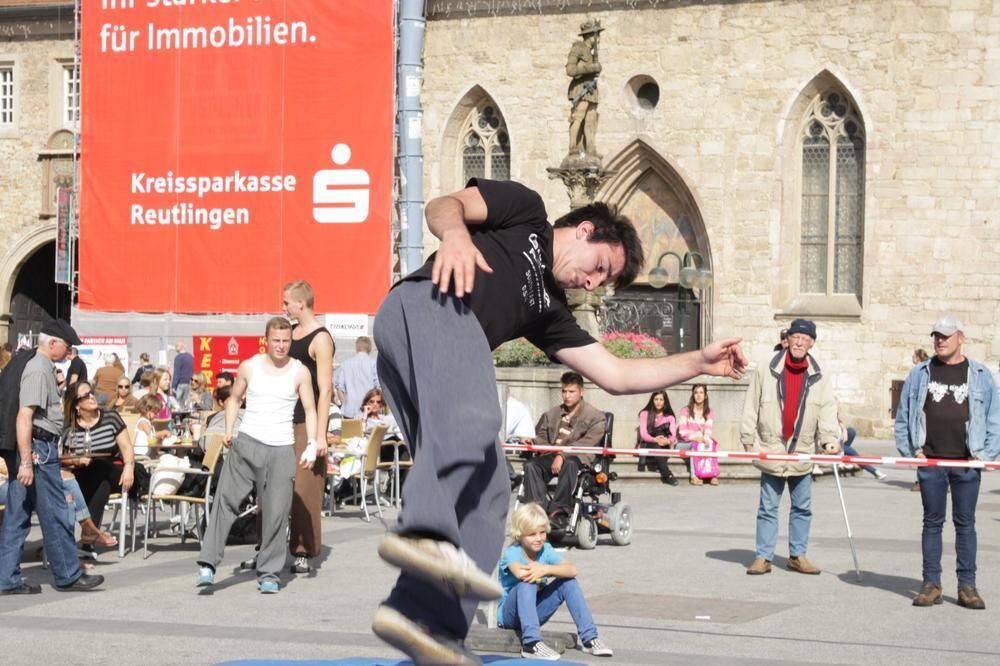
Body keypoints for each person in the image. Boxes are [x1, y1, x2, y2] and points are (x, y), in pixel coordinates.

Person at [369, 177, 746, 663]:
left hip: (434, 353)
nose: (592, 284)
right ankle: (422, 540)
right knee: (478, 420)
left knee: (490, 492)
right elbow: (444, 205)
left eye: (602, 283)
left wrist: (698, 362)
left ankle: (429, 628)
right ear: (585, 230)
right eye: (599, 268)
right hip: (427, 306)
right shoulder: (527, 213)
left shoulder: (551, 313)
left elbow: (616, 374)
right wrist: (457, 237)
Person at [195, 317, 318, 594]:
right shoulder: (249, 366)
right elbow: (234, 398)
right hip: (247, 443)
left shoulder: (299, 372)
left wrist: (312, 442)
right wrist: (229, 429)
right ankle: (207, 564)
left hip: (281, 448)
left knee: (276, 513)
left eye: (286, 341)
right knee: (225, 502)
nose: (281, 346)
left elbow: (310, 409)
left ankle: (270, 574)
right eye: (276, 340)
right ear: (266, 340)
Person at [895, 315, 1000, 610]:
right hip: (931, 461)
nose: (940, 341)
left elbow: (995, 417)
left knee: (965, 524)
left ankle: (967, 586)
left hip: (968, 461)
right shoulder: (920, 372)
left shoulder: (980, 373)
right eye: (936, 336)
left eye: (946, 336)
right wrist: (910, 450)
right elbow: (904, 414)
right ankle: (931, 584)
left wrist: (987, 455)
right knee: (932, 523)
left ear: (961, 338)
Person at [0, 319, 103, 594]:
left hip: (32, 447)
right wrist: (26, 461)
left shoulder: (33, 363)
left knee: (18, 514)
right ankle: (68, 574)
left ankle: (6, 578)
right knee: (55, 511)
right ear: (53, 343)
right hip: (38, 449)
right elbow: (25, 416)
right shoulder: (38, 368)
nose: (70, 354)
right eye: (68, 348)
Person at [741, 318, 839, 576]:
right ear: (787, 339)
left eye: (805, 339)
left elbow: (828, 408)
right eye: (795, 337)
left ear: (811, 344)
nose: (799, 342)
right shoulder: (766, 367)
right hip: (773, 446)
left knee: (802, 506)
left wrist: (830, 438)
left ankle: (797, 555)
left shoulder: (820, 373)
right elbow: (752, 401)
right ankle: (763, 556)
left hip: (802, 448)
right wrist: (747, 434)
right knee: (768, 507)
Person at [498, 503, 613, 660]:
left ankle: (590, 638)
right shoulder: (512, 553)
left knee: (568, 582)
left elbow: (572, 569)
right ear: (519, 535)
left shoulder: (546, 549)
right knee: (527, 581)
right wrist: (543, 570)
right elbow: (521, 573)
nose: (539, 538)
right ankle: (531, 644)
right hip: (510, 616)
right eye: (532, 534)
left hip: (535, 612)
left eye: (542, 532)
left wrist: (546, 569)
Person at [281, 280, 334, 575]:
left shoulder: (321, 338)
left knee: (305, 488)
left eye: (286, 302)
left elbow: (325, 389)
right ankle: (269, 549)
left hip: (308, 421)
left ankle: (303, 551)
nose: (283, 307)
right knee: (272, 484)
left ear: (301, 303)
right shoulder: (288, 333)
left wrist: (321, 434)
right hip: (281, 418)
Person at [522, 372, 606, 524]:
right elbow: (543, 438)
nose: (567, 395)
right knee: (531, 466)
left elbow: (587, 443)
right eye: (564, 391)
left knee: (570, 463)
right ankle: (537, 512)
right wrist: (532, 442)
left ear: (582, 392)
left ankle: (558, 511)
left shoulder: (595, 416)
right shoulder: (551, 414)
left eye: (571, 391)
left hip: (579, 457)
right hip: (552, 454)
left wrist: (562, 455)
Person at [61, 380, 140, 532]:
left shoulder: (110, 417)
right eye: (86, 395)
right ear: (77, 405)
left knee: (100, 465)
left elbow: (126, 446)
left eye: (92, 393)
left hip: (117, 471)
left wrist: (129, 467)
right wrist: (77, 460)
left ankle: (87, 533)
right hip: (86, 474)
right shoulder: (70, 427)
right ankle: (88, 539)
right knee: (101, 484)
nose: (92, 397)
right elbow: (65, 458)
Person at [565, 19, 603, 158]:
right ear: (590, 36)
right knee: (578, 117)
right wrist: (591, 68)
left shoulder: (591, 53)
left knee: (591, 119)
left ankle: (591, 149)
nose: (598, 39)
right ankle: (573, 147)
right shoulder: (578, 48)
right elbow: (570, 70)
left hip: (591, 89)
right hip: (581, 88)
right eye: (596, 35)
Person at [677, 384, 718, 486]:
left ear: (705, 395)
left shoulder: (709, 412)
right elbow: (682, 432)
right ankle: (694, 476)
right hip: (683, 443)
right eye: (696, 392)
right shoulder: (685, 411)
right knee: (695, 445)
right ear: (693, 395)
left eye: (701, 392)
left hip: (699, 442)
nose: (698, 395)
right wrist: (696, 437)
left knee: (711, 443)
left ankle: (713, 475)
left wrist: (705, 439)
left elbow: (708, 430)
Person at [636, 390, 679, 486]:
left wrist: (667, 441)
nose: (658, 402)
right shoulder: (644, 413)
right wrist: (655, 439)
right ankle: (668, 475)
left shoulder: (670, 417)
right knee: (656, 444)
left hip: (663, 445)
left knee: (660, 435)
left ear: (665, 401)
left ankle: (662, 467)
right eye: (656, 399)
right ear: (652, 400)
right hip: (648, 444)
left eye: (661, 399)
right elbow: (643, 434)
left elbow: (673, 436)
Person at [335, 336, 380, 418]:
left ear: (356, 348)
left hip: (349, 411)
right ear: (369, 348)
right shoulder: (373, 364)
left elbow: (339, 387)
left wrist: (345, 403)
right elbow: (379, 387)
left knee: (350, 431)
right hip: (368, 410)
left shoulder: (345, 364)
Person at [837, 413, 887, 481]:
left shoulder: (834, 413)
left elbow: (840, 424)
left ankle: (844, 458)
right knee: (851, 451)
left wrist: (844, 429)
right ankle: (875, 472)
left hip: (838, 441)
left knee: (851, 432)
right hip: (830, 443)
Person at [911, 348, 931, 492]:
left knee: (921, 450)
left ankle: (921, 481)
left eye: (913, 355)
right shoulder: (918, 370)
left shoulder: (922, 371)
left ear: (917, 357)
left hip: (922, 418)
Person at [172, 341, 194, 407]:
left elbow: (177, 372)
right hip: (189, 383)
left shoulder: (178, 358)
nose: (175, 348)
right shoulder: (190, 357)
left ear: (181, 347)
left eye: (177, 346)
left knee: (177, 404)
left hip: (180, 383)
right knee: (187, 403)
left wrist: (174, 386)